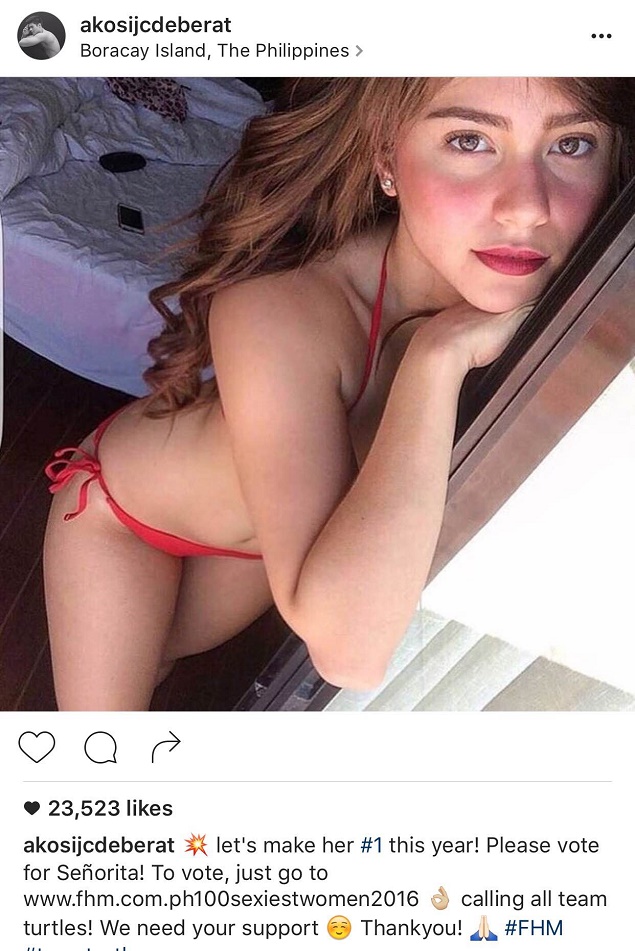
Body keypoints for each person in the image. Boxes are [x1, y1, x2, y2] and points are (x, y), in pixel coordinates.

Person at [44, 78, 635, 711]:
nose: (527, 208)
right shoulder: (284, 305)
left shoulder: (574, 311)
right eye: (469, 141)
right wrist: (436, 357)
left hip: (260, 546)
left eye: (572, 144)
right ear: (387, 160)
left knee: (159, 656)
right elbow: (349, 653)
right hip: (126, 518)